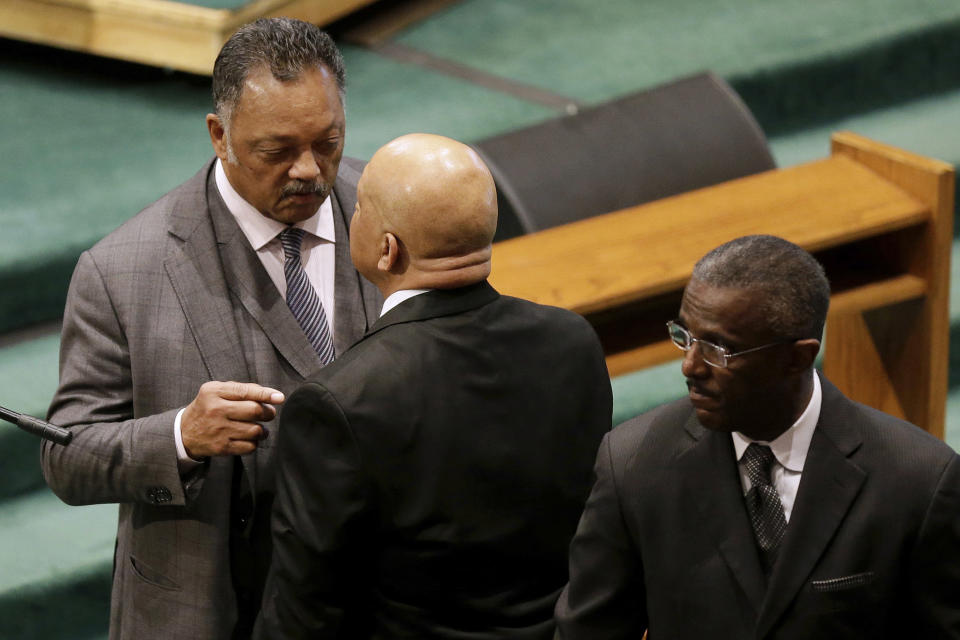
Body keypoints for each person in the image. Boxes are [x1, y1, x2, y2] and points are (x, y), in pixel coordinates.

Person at [41, 18, 381, 640]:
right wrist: (180, 435)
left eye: (327, 142)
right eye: (277, 151)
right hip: (216, 608)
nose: (309, 170)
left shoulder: (391, 208)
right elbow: (67, 457)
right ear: (220, 135)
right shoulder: (121, 271)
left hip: (386, 597)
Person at [254, 133, 613, 639]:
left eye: (359, 211)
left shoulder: (340, 401)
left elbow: (306, 607)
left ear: (387, 249)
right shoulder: (572, 340)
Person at [555, 234, 960, 638]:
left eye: (717, 349)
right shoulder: (633, 463)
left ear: (797, 357)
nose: (690, 366)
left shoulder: (918, 482)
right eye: (685, 337)